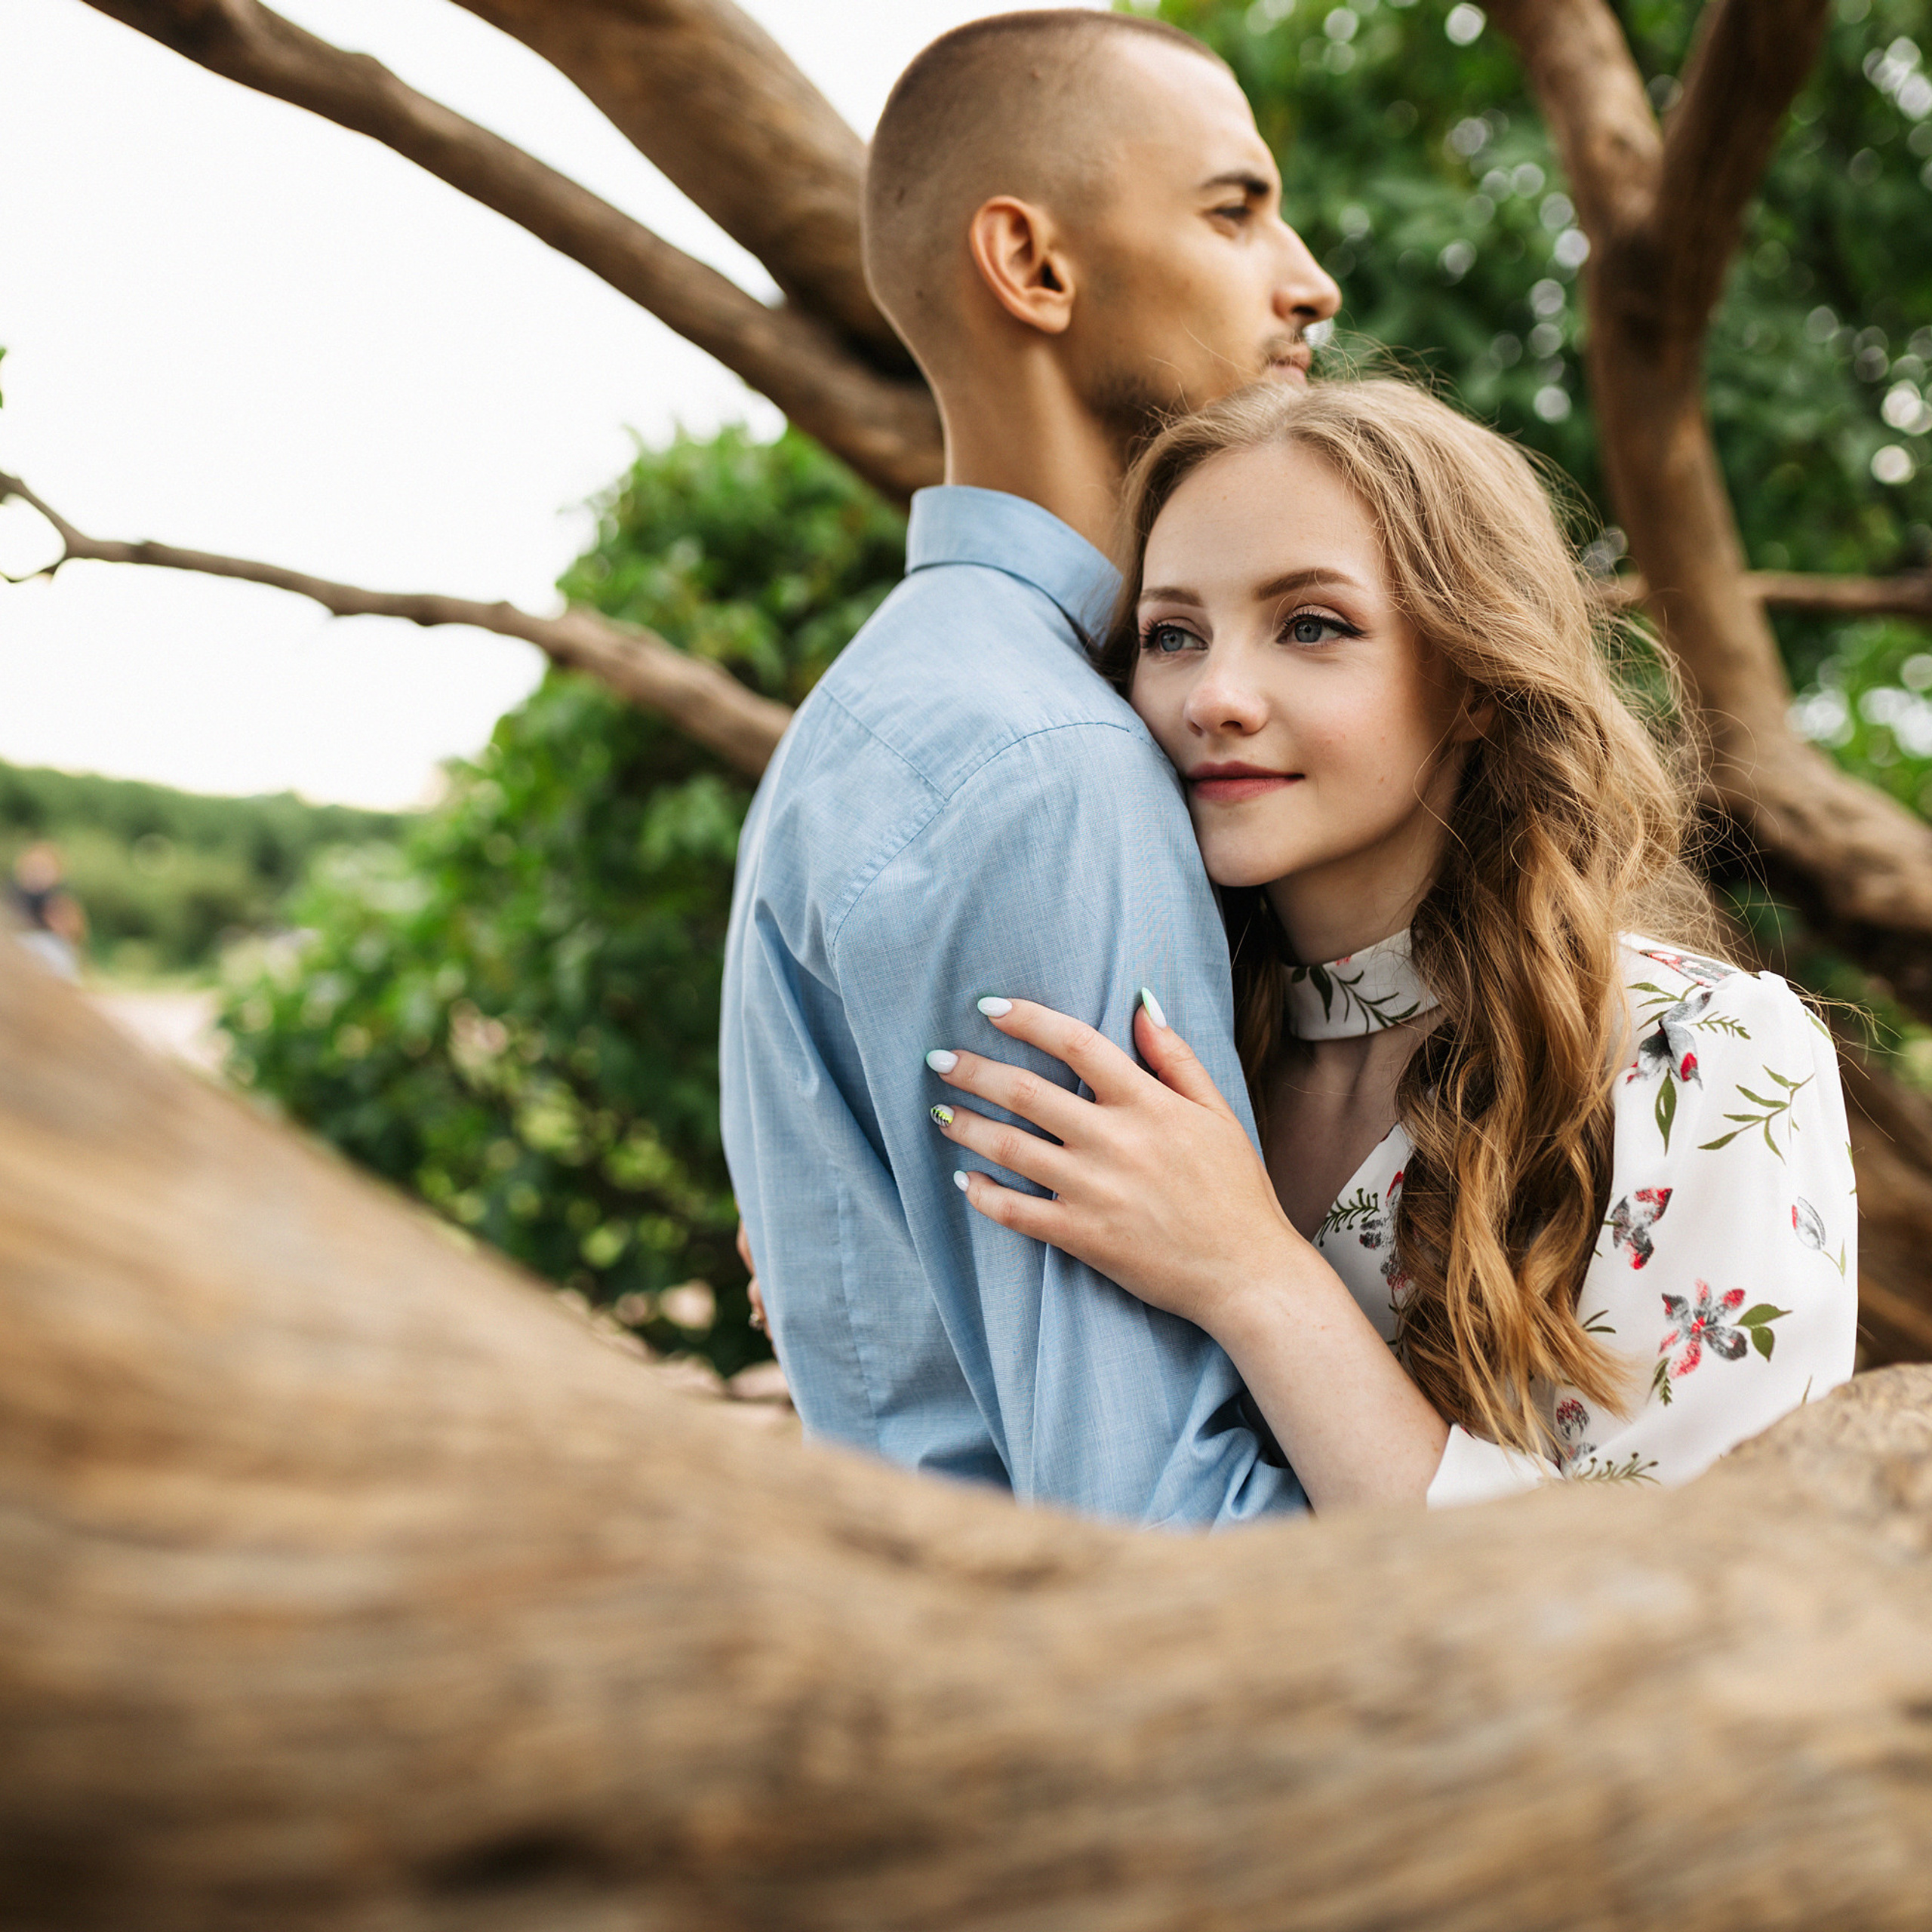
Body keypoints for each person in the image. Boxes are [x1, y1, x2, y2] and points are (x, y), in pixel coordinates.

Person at [928, 377, 1857, 1510]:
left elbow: (1710, 1602)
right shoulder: (1157, 1046)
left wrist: (1254, 1276)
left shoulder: (1701, 1056)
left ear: (1471, 679)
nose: (1214, 695)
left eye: (1311, 625)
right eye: (1172, 635)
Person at [719, 10, 1340, 1524]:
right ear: (1032, 266)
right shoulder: (1050, 763)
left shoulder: (908, 708)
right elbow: (1152, 1529)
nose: (1308, 278)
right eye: (1232, 208)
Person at [7, 842, 88, 980]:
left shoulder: (59, 898)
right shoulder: (12, 895)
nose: (37, 874)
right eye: (33, 868)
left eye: (44, 869)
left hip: (49, 946)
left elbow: (75, 933)